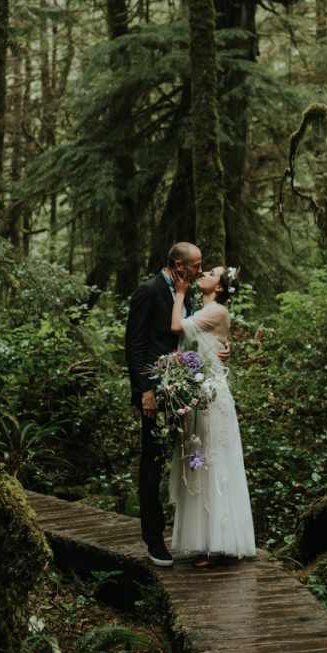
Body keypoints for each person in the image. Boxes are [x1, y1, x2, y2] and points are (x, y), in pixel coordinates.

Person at [169, 265, 256, 568]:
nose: (203, 274)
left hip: (212, 395)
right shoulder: (204, 309)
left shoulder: (217, 310)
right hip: (199, 393)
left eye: (211, 273)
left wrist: (179, 293)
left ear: (218, 288)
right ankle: (205, 542)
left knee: (213, 461)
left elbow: (177, 327)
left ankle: (217, 544)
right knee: (200, 461)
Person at [125, 242, 202, 567]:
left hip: (184, 392)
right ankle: (154, 538)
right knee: (152, 463)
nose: (199, 270)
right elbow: (135, 344)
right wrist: (145, 391)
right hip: (155, 396)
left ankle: (195, 536)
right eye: (195, 265)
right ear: (177, 264)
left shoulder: (188, 293)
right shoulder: (148, 291)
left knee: (191, 460)